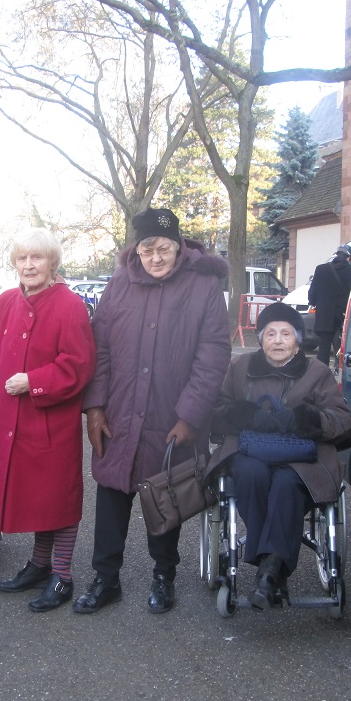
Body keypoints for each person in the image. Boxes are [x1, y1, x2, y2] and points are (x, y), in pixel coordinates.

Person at [74, 207, 231, 615]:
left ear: (178, 246)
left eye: (164, 248)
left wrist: (190, 415)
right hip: (120, 412)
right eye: (147, 248)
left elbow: (213, 354)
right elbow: (101, 348)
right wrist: (94, 407)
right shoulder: (119, 284)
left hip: (171, 414)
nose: (156, 257)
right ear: (136, 249)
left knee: (166, 498)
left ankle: (164, 577)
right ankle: (105, 579)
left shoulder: (203, 285)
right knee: (111, 497)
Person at [0, 228, 96, 612]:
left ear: (52, 263)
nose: (29, 265)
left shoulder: (70, 306)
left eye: (37, 258)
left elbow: (79, 366)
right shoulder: (6, 301)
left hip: (50, 422)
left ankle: (62, 574)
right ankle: (40, 564)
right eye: (22, 258)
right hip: (10, 421)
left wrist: (33, 381)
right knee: (35, 498)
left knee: (56, 497)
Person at [207, 303, 351, 608]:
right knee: (250, 474)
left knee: (287, 484)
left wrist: (304, 420)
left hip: (300, 459)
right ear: (260, 339)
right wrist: (244, 414)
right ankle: (272, 571)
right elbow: (217, 413)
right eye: (270, 333)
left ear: (297, 340)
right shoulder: (240, 368)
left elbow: (343, 420)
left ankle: (268, 571)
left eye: (285, 333)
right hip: (251, 452)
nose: (277, 340)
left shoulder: (317, 372)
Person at [307, 244, 351, 366]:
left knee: (323, 350)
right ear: (349, 258)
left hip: (324, 318)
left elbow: (312, 292)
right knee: (341, 350)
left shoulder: (321, 269)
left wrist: (314, 303)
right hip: (343, 318)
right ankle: (339, 375)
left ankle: (321, 377)